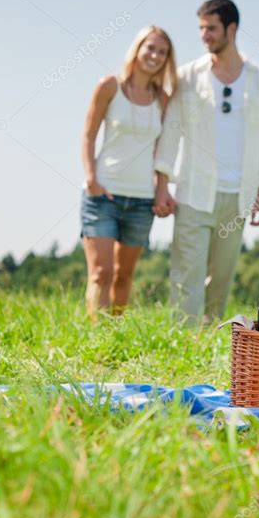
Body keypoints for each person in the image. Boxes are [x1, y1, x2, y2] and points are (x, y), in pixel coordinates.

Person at [154, 0, 259, 323]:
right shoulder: (187, 77)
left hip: (238, 196)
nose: (204, 35)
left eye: (211, 28)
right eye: (201, 29)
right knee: (186, 278)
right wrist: (162, 184)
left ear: (231, 29)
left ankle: (208, 345)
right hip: (194, 192)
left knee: (220, 281)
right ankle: (182, 345)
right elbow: (170, 133)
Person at [81, 26, 177, 317]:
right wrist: (91, 179)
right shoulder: (110, 86)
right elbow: (88, 134)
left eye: (162, 52)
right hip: (103, 196)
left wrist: (162, 189)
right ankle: (96, 341)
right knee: (101, 273)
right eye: (150, 48)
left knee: (124, 276)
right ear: (137, 49)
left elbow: (163, 149)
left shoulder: (163, 99)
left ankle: (114, 337)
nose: (155, 55)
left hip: (140, 200)